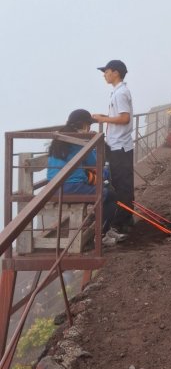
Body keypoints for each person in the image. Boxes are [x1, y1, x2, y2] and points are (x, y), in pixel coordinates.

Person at [47, 109, 124, 247]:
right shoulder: (79, 141)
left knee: (105, 189)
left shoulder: (60, 138)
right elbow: (96, 163)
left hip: (54, 187)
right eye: (88, 125)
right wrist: (93, 142)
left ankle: (105, 230)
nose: (89, 128)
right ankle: (101, 235)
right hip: (71, 188)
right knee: (109, 195)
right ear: (82, 125)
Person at [92, 59, 134, 234]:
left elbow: (125, 119)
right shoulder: (118, 92)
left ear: (115, 72)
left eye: (106, 71)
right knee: (122, 183)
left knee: (121, 185)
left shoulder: (120, 93)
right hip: (120, 145)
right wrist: (106, 116)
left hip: (120, 146)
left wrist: (104, 119)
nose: (104, 74)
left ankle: (121, 223)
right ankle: (126, 218)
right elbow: (120, 116)